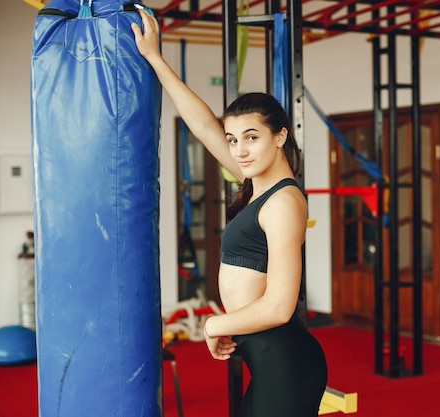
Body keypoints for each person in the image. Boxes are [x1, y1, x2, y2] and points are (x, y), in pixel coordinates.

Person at [132, 10, 328, 417]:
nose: (239, 150)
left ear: (280, 136)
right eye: (233, 139)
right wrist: (155, 59)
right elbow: (204, 126)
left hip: (286, 364)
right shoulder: (256, 183)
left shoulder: (283, 202)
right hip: (270, 362)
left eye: (251, 138)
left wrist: (214, 324)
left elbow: (279, 306)